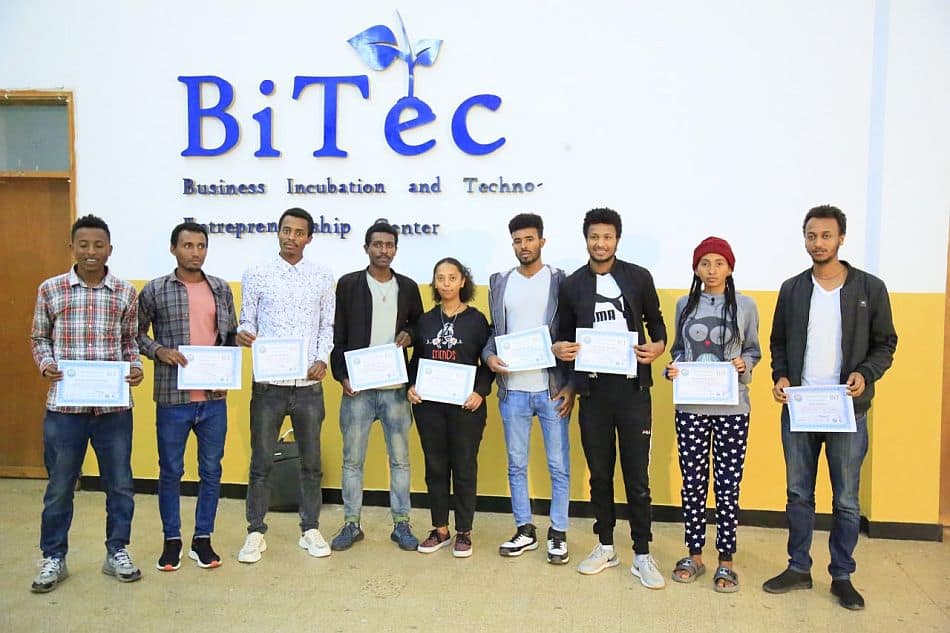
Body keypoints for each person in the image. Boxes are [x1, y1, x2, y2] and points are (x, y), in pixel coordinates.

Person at [763, 205, 897, 610]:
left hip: (846, 410)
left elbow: (885, 343)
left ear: (841, 238)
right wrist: (781, 376)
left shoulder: (869, 288)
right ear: (804, 239)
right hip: (800, 408)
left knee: (847, 500)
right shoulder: (792, 288)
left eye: (825, 236)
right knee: (798, 493)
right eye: (811, 236)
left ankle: (842, 575)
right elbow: (779, 344)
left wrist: (866, 374)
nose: (818, 243)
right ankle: (798, 567)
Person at [552, 207, 667, 589]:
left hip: (634, 392)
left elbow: (658, 326)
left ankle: (642, 553)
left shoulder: (638, 278)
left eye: (607, 237)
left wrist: (658, 347)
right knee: (599, 474)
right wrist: (561, 350)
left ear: (617, 239)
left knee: (637, 477)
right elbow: (561, 335)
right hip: (593, 392)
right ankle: (605, 546)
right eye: (594, 237)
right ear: (586, 239)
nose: (600, 244)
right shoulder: (572, 285)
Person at [29, 214, 145, 593]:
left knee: (121, 484)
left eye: (98, 245)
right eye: (84, 245)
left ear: (109, 249)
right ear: (73, 248)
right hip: (65, 410)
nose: (91, 252)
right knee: (61, 486)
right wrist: (46, 365)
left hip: (113, 410)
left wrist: (136, 366)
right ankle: (53, 557)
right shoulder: (52, 290)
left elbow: (131, 341)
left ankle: (117, 552)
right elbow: (38, 338)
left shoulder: (125, 293)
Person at [236, 208, 336, 563]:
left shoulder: (323, 278)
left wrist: (322, 358)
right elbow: (246, 320)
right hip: (268, 385)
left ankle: (310, 529)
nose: (291, 237)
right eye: (286, 230)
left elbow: (327, 327)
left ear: (309, 238)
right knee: (261, 461)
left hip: (308, 385)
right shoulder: (257, 274)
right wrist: (242, 333)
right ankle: (254, 532)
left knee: (311, 463)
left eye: (299, 233)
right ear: (277, 233)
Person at [137, 221, 238, 571]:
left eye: (200, 246)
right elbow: (133, 333)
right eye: (188, 245)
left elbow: (228, 338)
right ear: (173, 249)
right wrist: (158, 350)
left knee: (211, 471)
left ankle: (202, 540)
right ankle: (172, 540)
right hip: (172, 397)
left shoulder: (221, 289)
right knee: (171, 471)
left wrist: (227, 370)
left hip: (213, 400)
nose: (195, 252)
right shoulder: (155, 290)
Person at [664, 237, 761, 592]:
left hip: (733, 407)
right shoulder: (683, 305)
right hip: (691, 407)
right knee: (692, 483)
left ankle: (726, 561)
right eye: (705, 263)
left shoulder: (746, 306)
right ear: (696, 268)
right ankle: (694, 554)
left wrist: (744, 363)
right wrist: (673, 368)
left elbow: (753, 351)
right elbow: (677, 349)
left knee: (727, 485)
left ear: (730, 267)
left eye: (719, 263)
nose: (712, 270)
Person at [483, 213, 574, 564]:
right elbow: (495, 331)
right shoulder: (500, 282)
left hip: (551, 389)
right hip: (513, 390)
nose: (524, 246)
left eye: (530, 239)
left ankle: (559, 532)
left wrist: (571, 384)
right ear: (513, 244)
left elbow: (572, 332)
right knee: (516, 465)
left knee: (558, 465)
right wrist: (490, 357)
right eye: (518, 241)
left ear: (542, 241)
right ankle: (525, 529)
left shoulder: (560, 281)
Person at [329, 221, 423, 552]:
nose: (383, 250)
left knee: (400, 460)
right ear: (366, 247)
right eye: (377, 244)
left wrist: (410, 334)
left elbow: (418, 330)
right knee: (352, 461)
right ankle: (351, 524)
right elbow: (337, 334)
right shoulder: (349, 285)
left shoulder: (409, 287)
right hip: (358, 389)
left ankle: (402, 524)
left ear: (396, 249)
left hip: (396, 389)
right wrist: (342, 376)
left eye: (389, 245)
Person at [407, 258, 493, 558]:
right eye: (440, 278)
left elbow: (487, 362)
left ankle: (464, 532)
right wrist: (411, 386)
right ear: (434, 283)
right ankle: (440, 528)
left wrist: (480, 392)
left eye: (451, 277)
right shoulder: (426, 320)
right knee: (435, 466)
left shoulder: (476, 320)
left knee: (465, 467)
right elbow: (416, 361)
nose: (445, 283)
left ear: (462, 282)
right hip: (430, 407)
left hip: (465, 408)